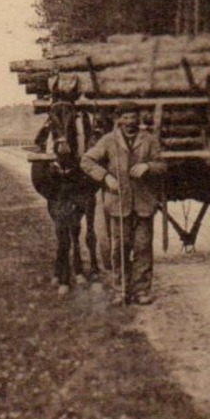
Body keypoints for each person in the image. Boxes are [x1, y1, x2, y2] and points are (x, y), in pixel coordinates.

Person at [81, 102, 165, 306]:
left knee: (143, 247)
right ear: (118, 119)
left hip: (144, 203)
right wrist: (105, 178)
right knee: (119, 248)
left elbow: (163, 164)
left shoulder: (150, 140)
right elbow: (86, 161)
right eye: (125, 117)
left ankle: (142, 291)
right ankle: (121, 290)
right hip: (118, 204)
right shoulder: (108, 141)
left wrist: (148, 166)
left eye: (133, 117)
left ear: (139, 118)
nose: (130, 121)